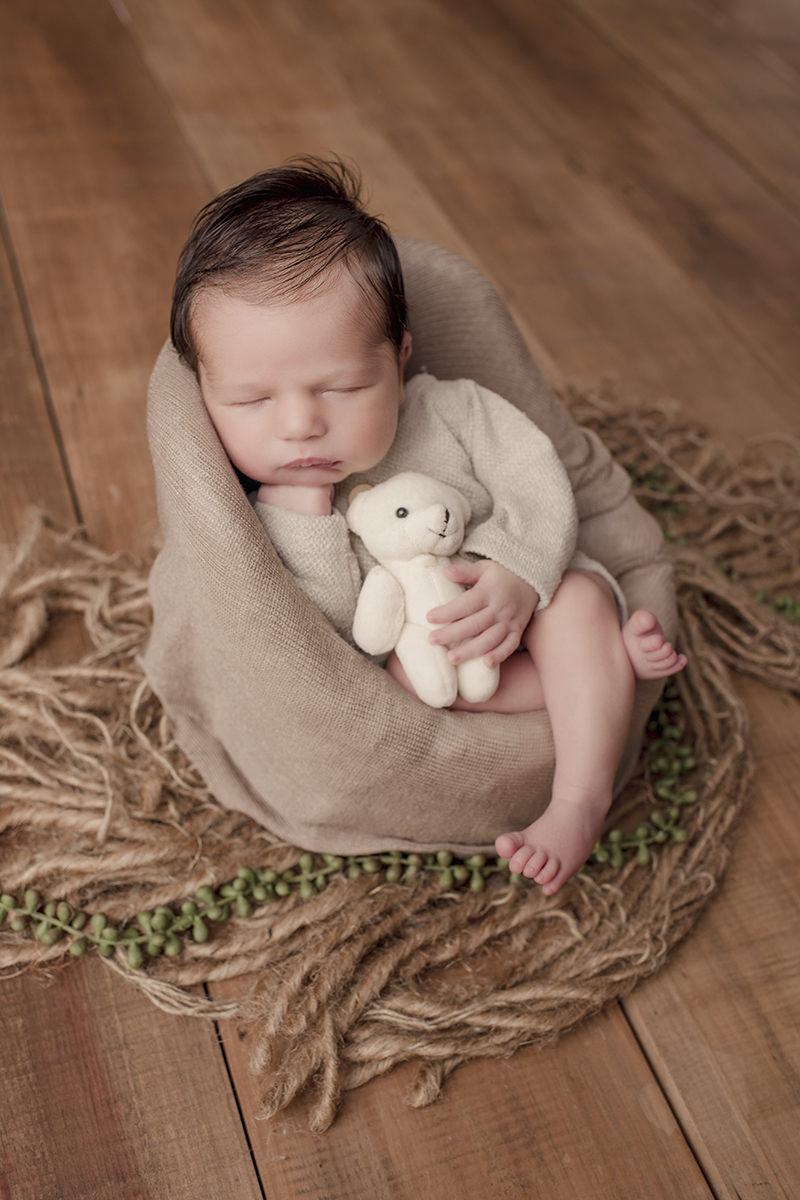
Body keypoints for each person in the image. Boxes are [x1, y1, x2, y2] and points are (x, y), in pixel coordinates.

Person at [170, 157, 685, 896]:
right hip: (434, 661)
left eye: (343, 386)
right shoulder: (263, 511)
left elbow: (542, 482)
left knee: (575, 602)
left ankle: (579, 798)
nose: (299, 423)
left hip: (526, 598)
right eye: (251, 401)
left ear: (399, 356)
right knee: (414, 679)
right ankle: (599, 674)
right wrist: (303, 504)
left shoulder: (455, 408)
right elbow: (329, 635)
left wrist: (515, 572)